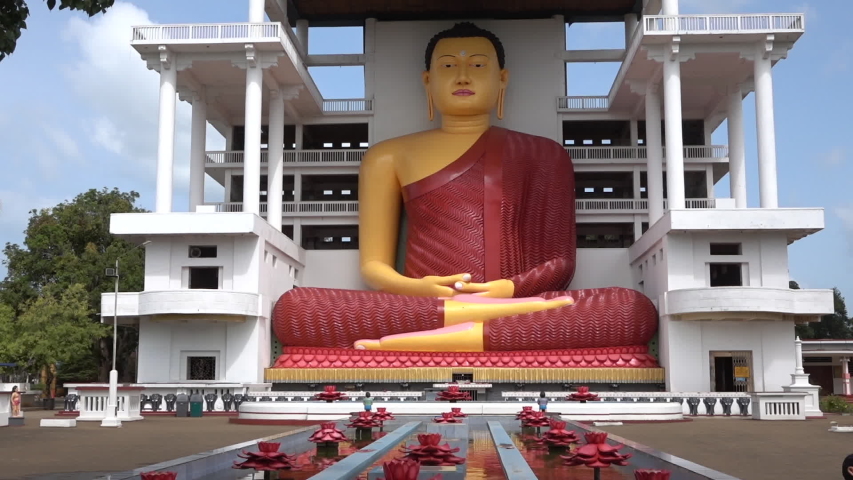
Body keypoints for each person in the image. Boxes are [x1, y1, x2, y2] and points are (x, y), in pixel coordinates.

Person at [272, 22, 657, 353]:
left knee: (630, 309)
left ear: (501, 78)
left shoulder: (543, 153)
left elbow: (560, 265)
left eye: (477, 65)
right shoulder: (387, 156)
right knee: (296, 308)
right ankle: (481, 329)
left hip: (518, 300)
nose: (462, 76)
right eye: (448, 66)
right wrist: (422, 291)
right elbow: (374, 266)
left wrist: (505, 291)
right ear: (428, 80)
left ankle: (428, 337)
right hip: (423, 305)